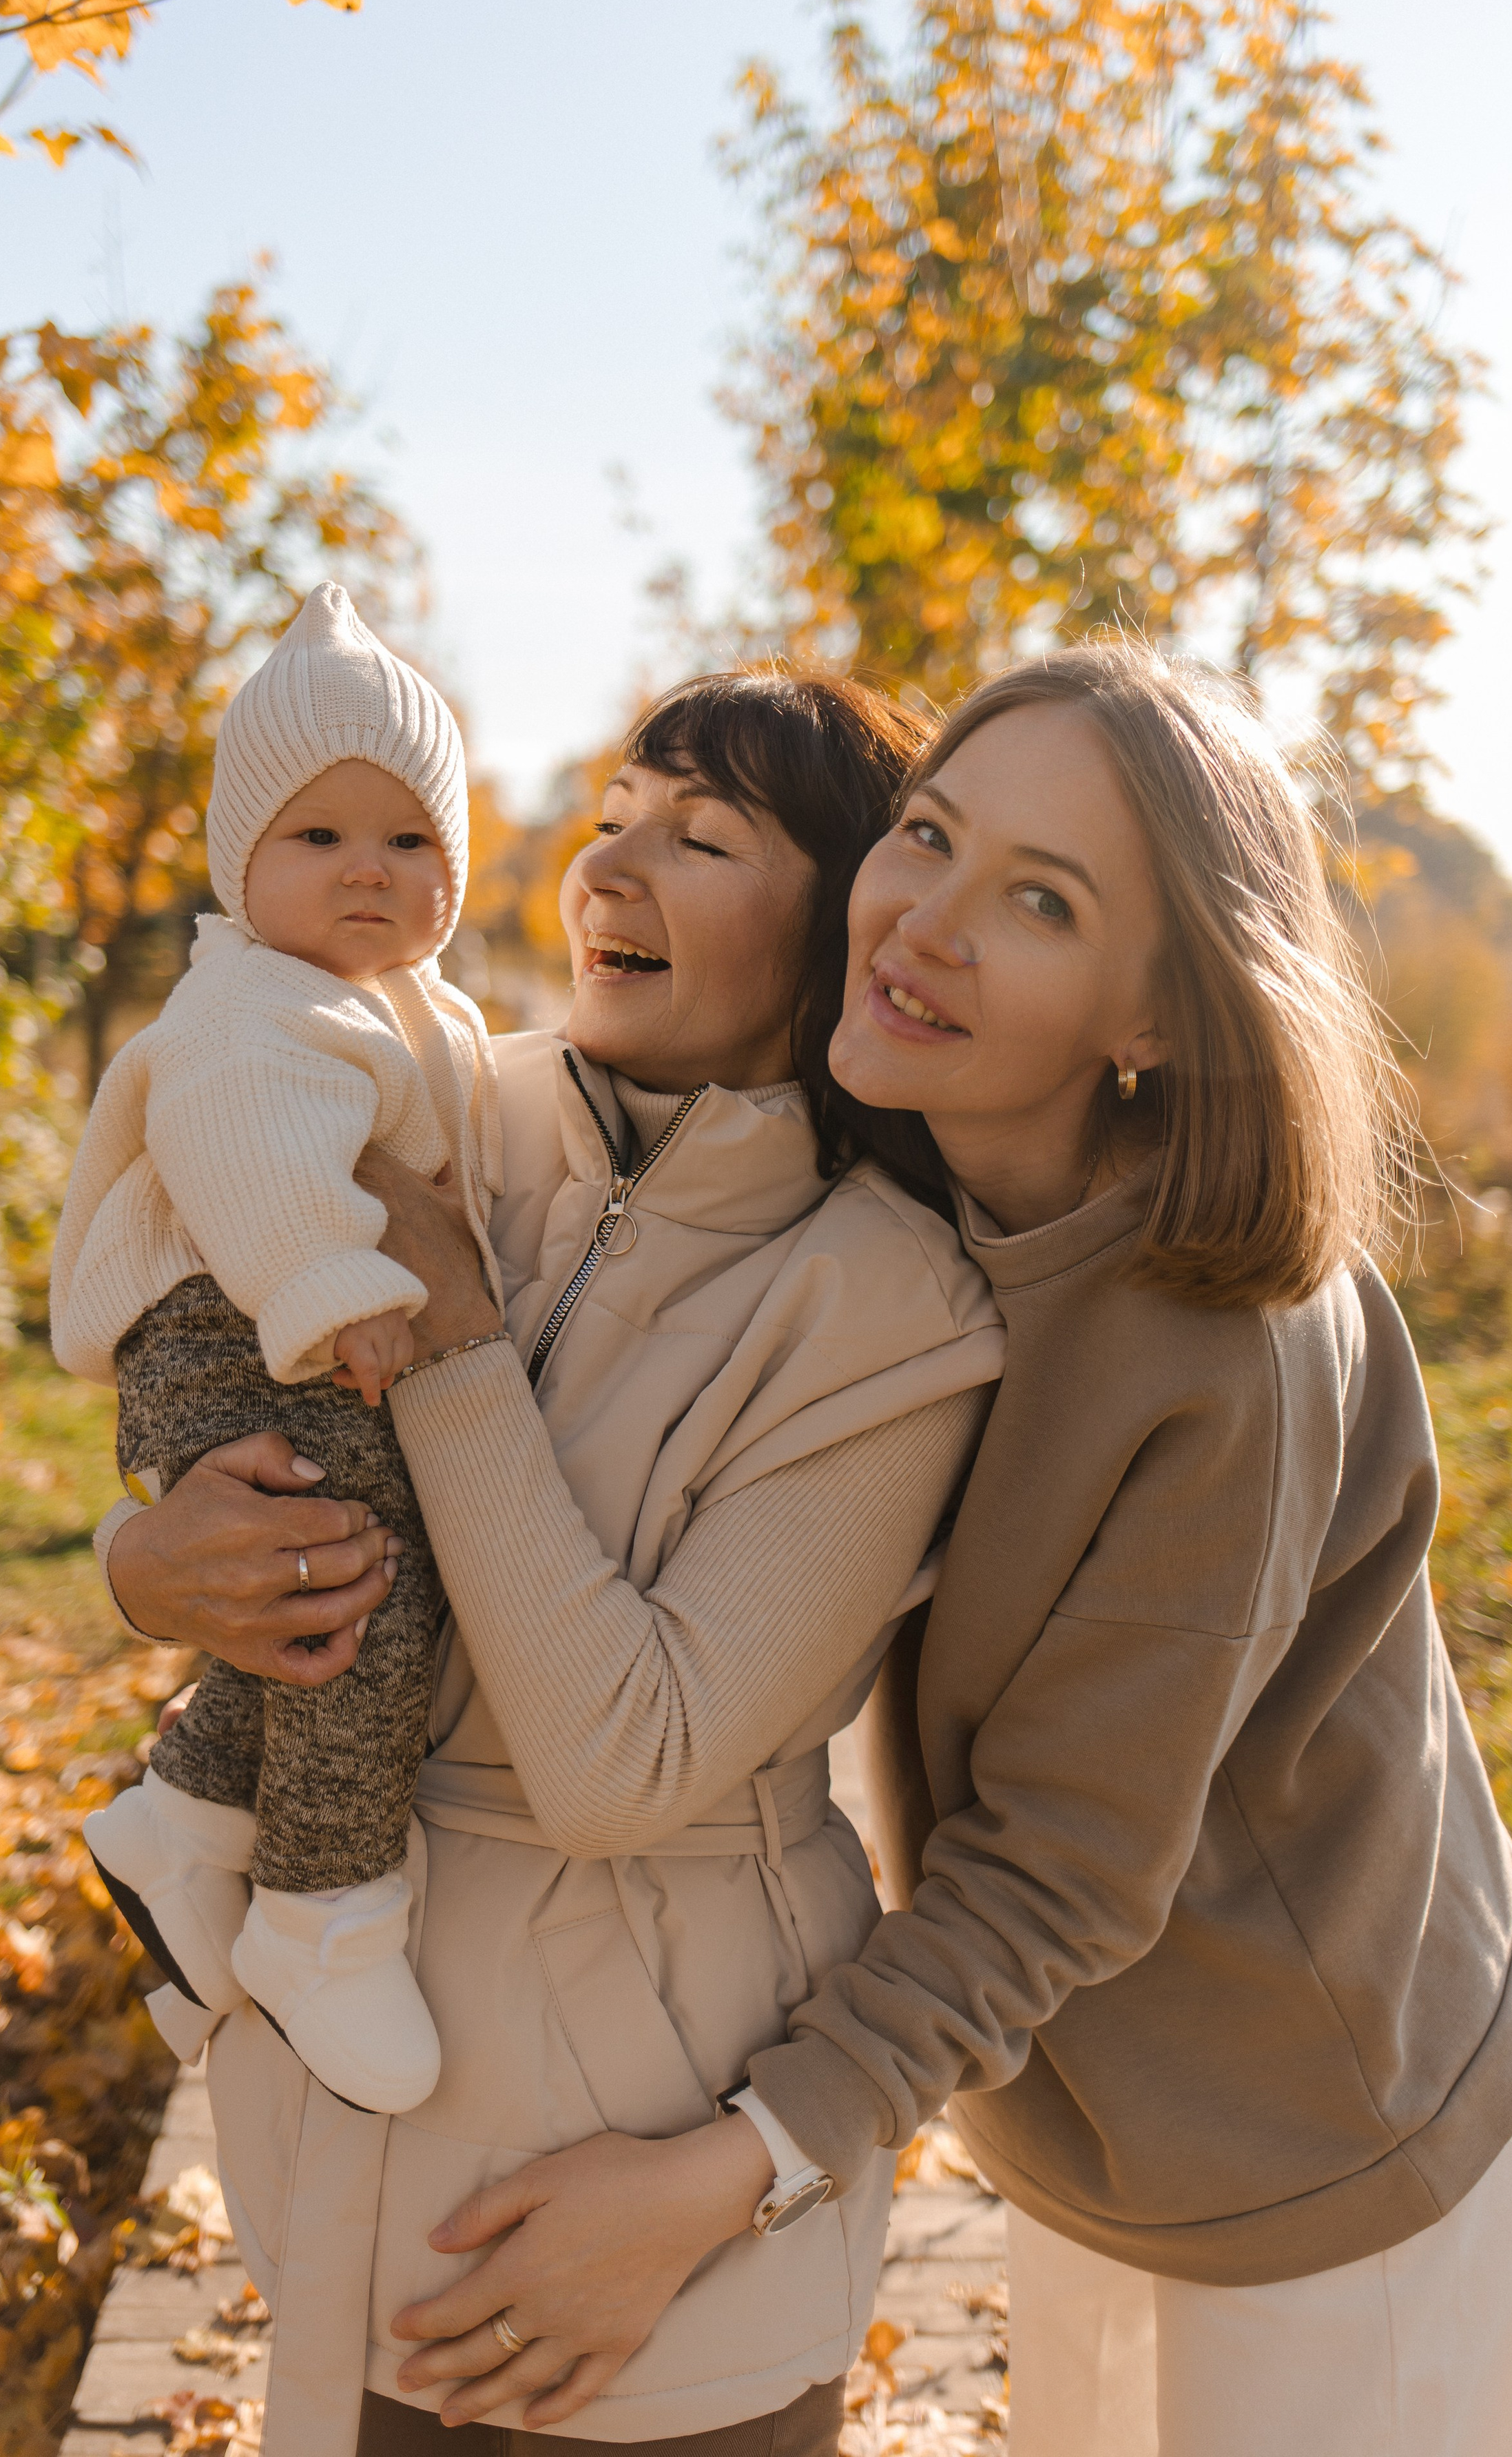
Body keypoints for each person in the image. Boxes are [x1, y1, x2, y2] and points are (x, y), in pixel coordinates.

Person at [384, 644, 1512, 2457]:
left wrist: (725, 2179)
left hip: (1320, 2152)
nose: (924, 923)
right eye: (927, 836)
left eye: (1039, 899)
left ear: (1158, 1020)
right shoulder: (926, 1182)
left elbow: (1067, 1873)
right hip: (1081, 2114)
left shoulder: (1224, 1339)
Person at [96, 670, 1009, 2457]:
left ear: (838, 922)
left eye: (701, 834)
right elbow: (201, 1395)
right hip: (349, 2132)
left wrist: (448, 1348)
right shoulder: (416, 1108)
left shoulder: (894, 1309)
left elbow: (623, 1764)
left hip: (657, 2176)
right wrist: (142, 1566)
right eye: (609, 818)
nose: (612, 865)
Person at [52, 582, 498, 2117]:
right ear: (244, 864)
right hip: (237, 1333)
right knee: (361, 1581)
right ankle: (323, 1906)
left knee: (348, 1577)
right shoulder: (254, 1002)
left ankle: (183, 1822)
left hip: (270, 1327)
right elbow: (246, 1147)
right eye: (318, 838)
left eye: (409, 841)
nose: (368, 872)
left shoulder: (382, 1000)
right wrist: (335, 1287)